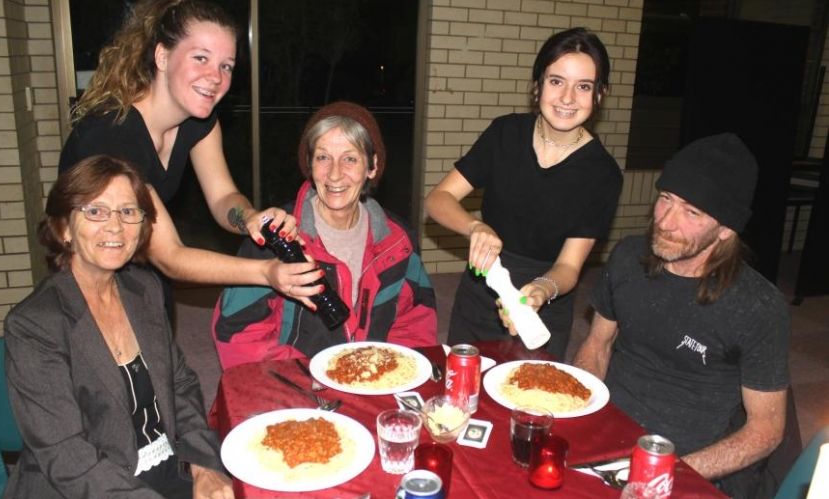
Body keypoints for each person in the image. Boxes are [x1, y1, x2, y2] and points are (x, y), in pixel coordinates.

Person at [59, 0, 322, 303]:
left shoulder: (200, 122)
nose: (216, 77)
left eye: (226, 66)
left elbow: (223, 197)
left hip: (139, 272)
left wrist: (250, 217)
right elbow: (170, 256)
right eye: (201, 58)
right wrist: (266, 273)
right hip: (87, 280)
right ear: (162, 56)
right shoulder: (112, 136)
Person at [573, 133, 789, 497]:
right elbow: (597, 345)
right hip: (610, 435)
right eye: (665, 199)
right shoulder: (627, 257)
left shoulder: (758, 306)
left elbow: (766, 430)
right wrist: (582, 414)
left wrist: (665, 472)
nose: (666, 222)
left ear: (725, 230)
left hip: (694, 460)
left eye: (691, 212)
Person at [4, 156, 233, 498]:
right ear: (65, 227)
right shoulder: (35, 325)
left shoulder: (144, 289)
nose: (115, 227)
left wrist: (204, 466)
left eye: (128, 212)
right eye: (96, 211)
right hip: (85, 487)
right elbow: (66, 456)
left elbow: (179, 384)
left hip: (163, 466)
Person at [424, 27, 623, 358]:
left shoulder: (602, 173)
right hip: (484, 285)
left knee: (529, 403)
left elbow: (570, 267)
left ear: (599, 95)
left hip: (542, 303)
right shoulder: (505, 133)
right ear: (538, 85)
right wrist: (475, 227)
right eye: (556, 81)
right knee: (461, 397)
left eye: (583, 86)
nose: (567, 98)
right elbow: (437, 200)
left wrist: (541, 291)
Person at [211, 102, 437, 367]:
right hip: (295, 391)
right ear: (310, 164)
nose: (334, 174)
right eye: (322, 157)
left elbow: (415, 324)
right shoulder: (276, 239)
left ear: (372, 167)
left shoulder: (398, 242)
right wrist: (311, 377)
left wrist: (388, 372)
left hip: (374, 385)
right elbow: (237, 334)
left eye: (350, 158)